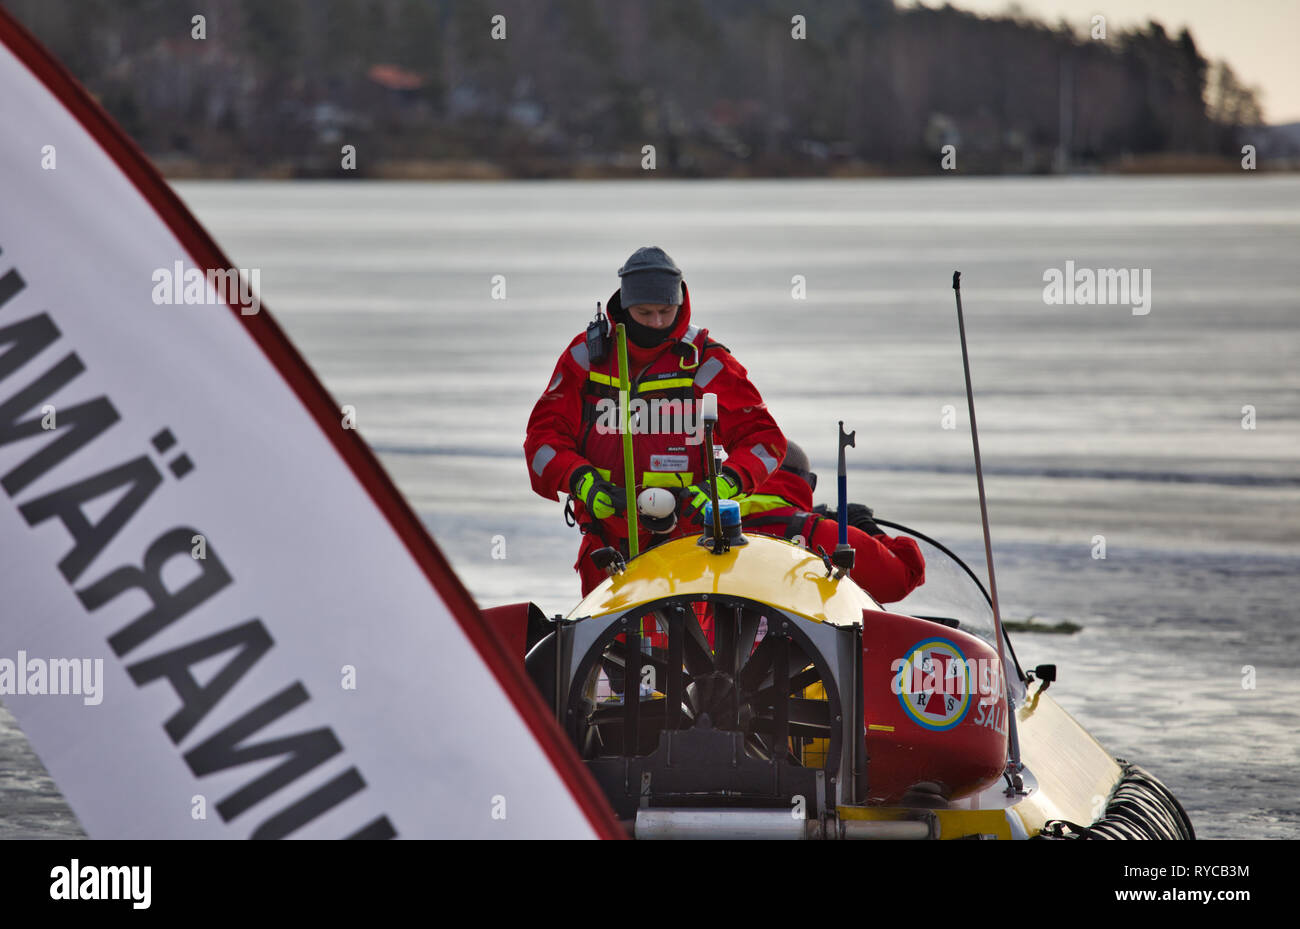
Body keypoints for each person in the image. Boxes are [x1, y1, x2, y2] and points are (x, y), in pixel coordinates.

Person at [525, 246, 787, 595]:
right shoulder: (587, 357)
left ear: (680, 302)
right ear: (624, 307)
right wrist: (582, 483)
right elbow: (543, 441)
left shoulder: (704, 361)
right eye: (644, 312)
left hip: (689, 538)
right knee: (608, 641)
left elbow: (765, 441)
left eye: (666, 311)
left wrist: (721, 487)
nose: (657, 322)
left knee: (686, 643)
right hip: (607, 538)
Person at [736, 441, 925, 604]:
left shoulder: (712, 525)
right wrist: (865, 525)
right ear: (807, 483)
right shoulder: (820, 533)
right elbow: (904, 575)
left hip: (715, 643)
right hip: (797, 644)